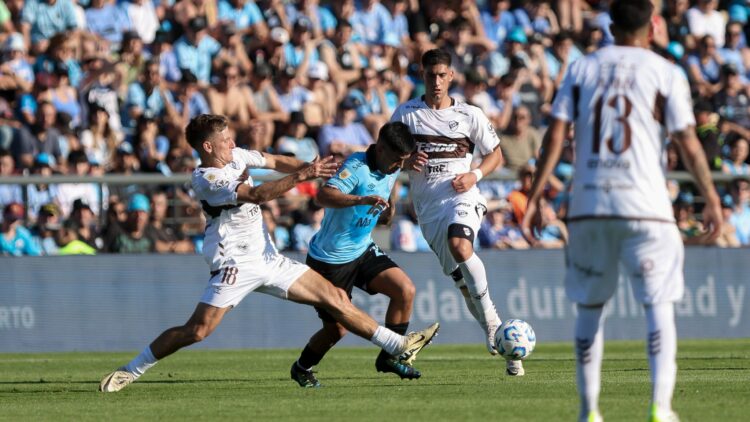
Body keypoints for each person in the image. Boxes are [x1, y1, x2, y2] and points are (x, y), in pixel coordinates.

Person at [99, 114, 439, 393]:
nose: (233, 144)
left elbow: (275, 160)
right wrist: (302, 177)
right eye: (226, 140)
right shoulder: (206, 178)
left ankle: (396, 345)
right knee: (197, 331)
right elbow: (259, 194)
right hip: (234, 264)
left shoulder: (237, 156)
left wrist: (312, 167)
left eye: (231, 138)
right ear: (207, 147)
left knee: (336, 298)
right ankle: (132, 369)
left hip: (267, 258)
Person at [519, 1, 722, 421]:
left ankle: (589, 410)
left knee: (589, 310)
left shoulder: (581, 69)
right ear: (653, 27)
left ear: (610, 27)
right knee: (658, 306)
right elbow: (687, 142)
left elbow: (555, 138)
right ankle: (660, 407)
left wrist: (536, 198)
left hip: (590, 204)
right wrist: (712, 199)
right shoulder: (666, 72)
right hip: (647, 207)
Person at [390, 49, 523, 376]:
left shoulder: (469, 114)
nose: (436, 81)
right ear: (422, 74)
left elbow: (496, 155)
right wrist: (405, 162)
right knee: (463, 284)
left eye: (441, 75)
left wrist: (475, 174)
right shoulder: (406, 114)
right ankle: (505, 346)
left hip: (462, 196)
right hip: (428, 209)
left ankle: (493, 322)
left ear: (451, 76)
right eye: (430, 75)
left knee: (461, 246)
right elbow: (386, 156)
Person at [290, 122, 421, 387]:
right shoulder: (357, 167)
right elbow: (323, 196)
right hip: (329, 260)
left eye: (403, 161)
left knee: (405, 290)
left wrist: (387, 210)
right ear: (381, 149)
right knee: (336, 330)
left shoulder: (392, 164)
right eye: (397, 160)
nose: (399, 166)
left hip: (362, 250)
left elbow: (384, 210)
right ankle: (302, 367)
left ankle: (388, 357)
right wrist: (361, 200)